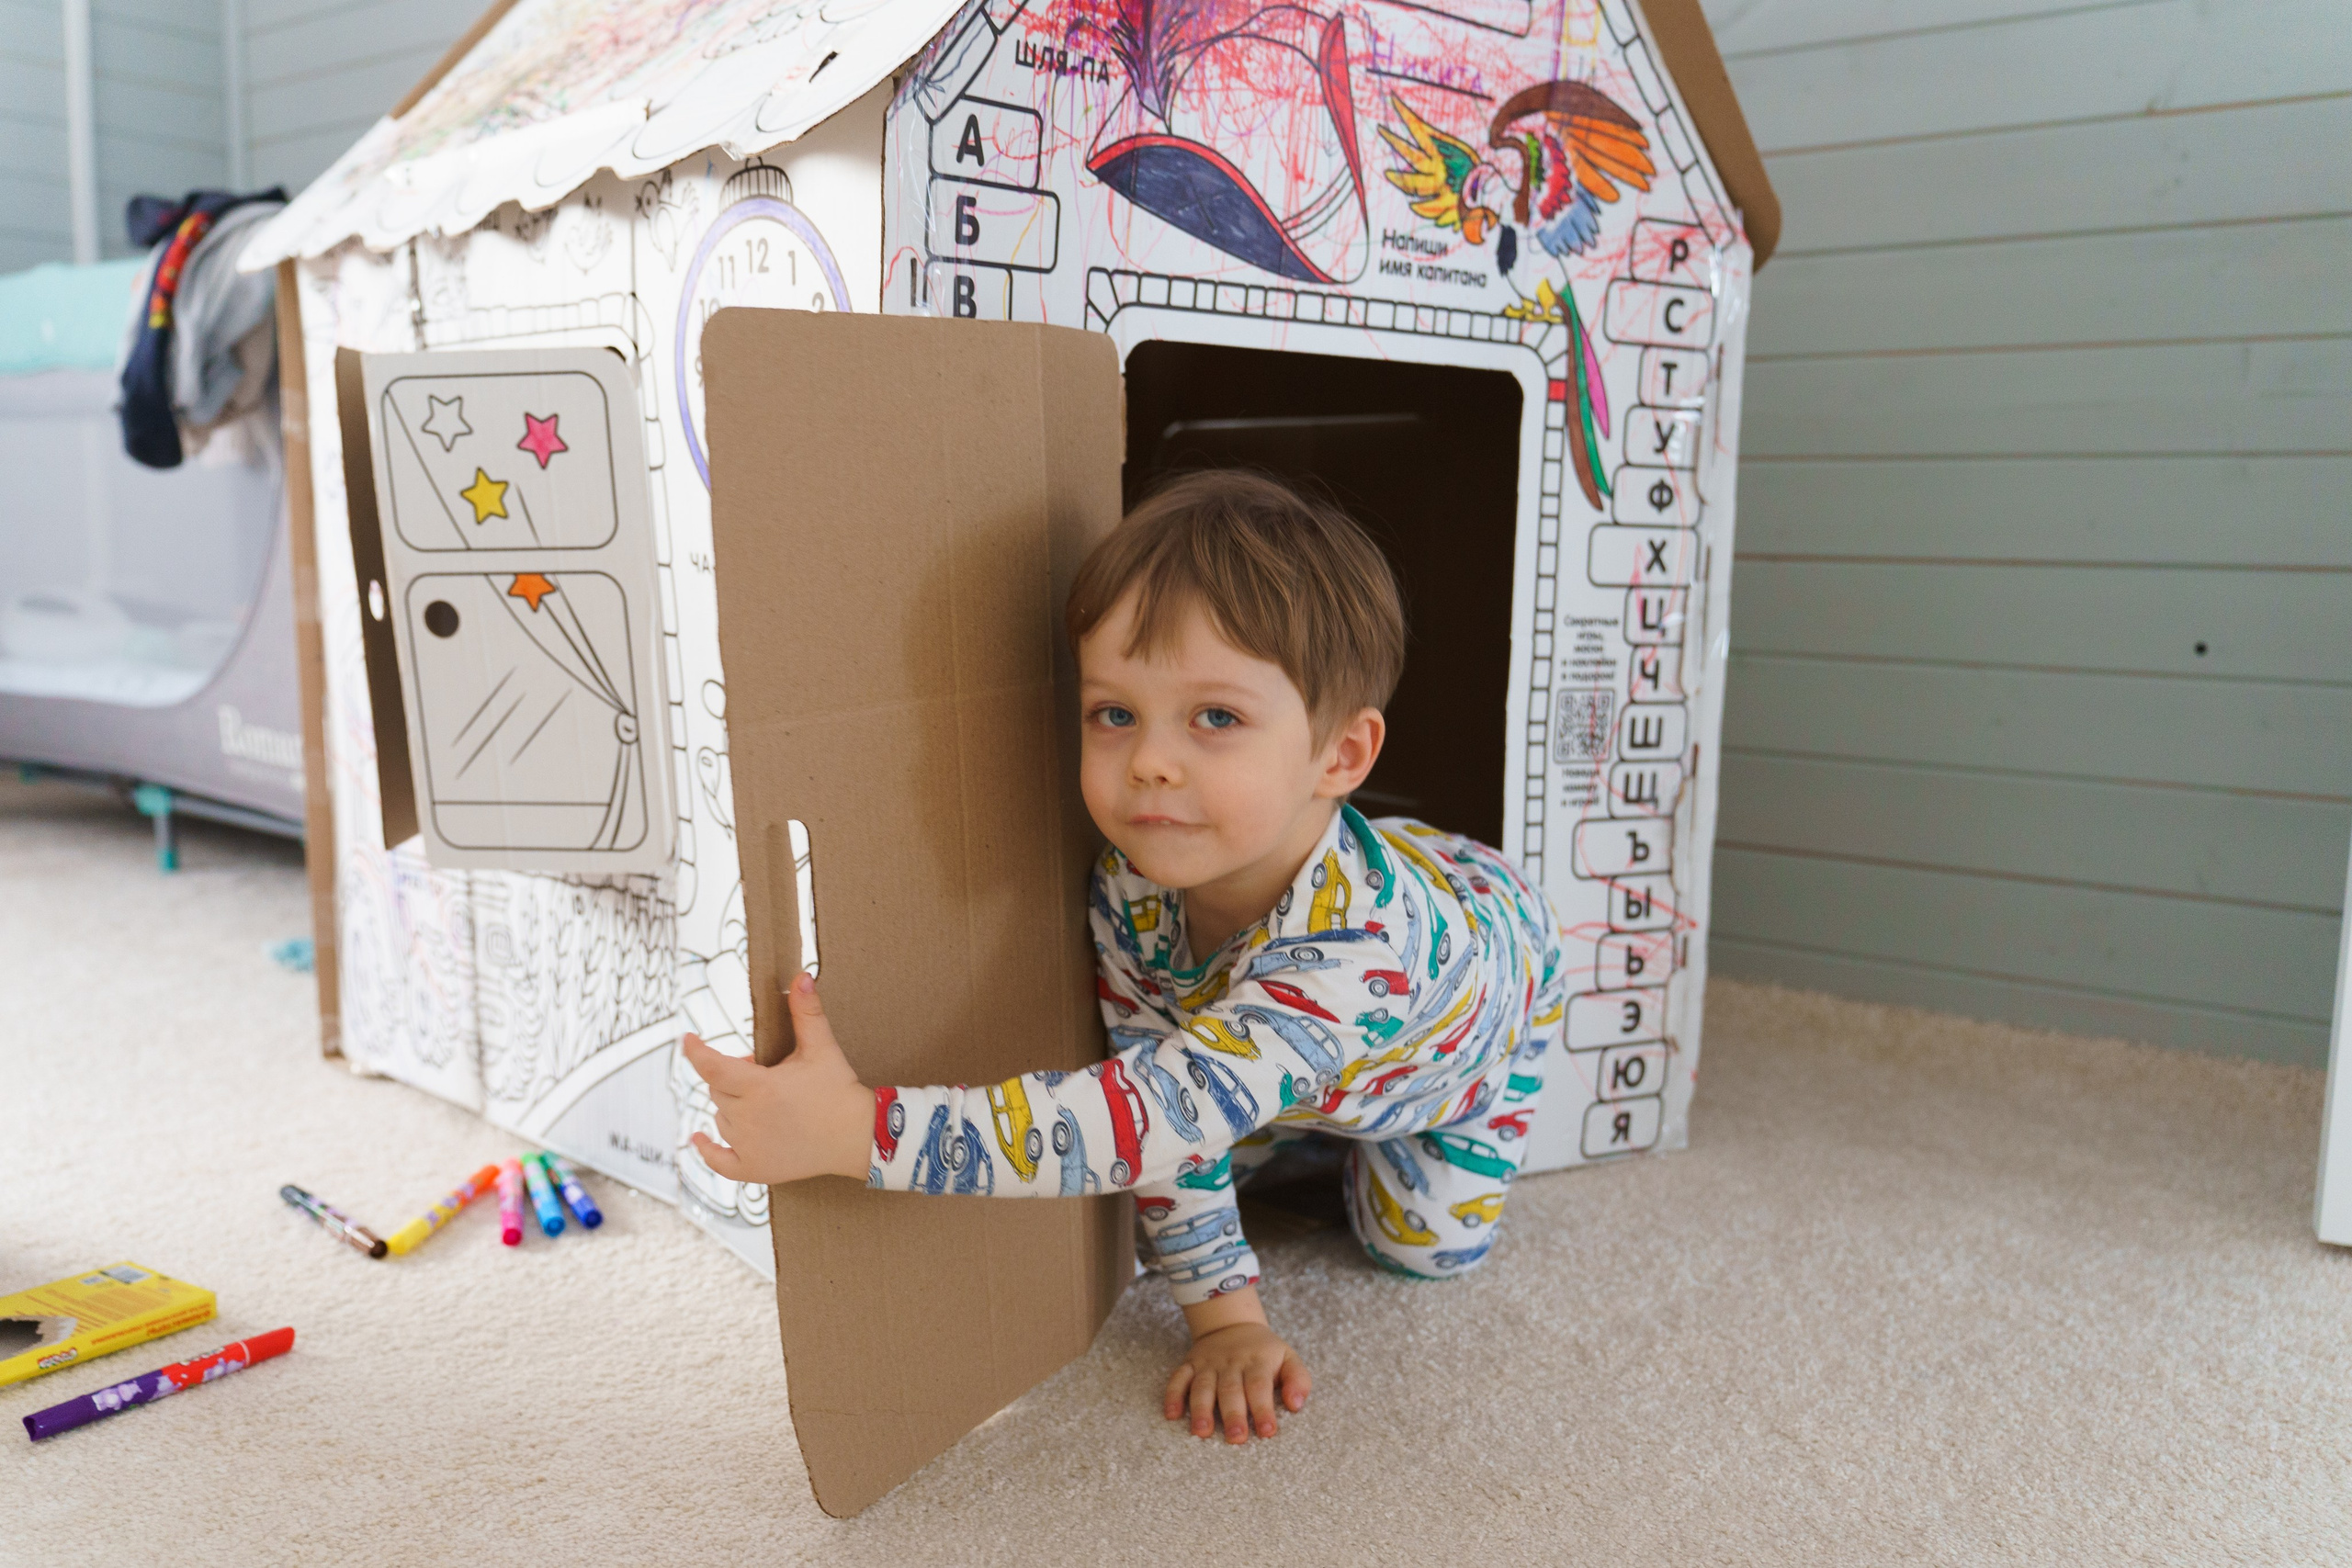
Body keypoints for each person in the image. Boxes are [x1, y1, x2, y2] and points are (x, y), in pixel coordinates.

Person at [683, 469, 1566, 1446]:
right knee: (1194, 1132)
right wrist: (1226, 1314)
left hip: (1479, 1010)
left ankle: (1307, 1111)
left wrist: (859, 1131)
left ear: (1341, 756)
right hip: (1283, 1003)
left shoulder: (1357, 958)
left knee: (1422, 1251)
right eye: (1115, 713)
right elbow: (1150, 1086)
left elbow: (1138, 1125)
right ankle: (1271, 1099)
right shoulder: (1132, 886)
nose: (1149, 760)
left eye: (1215, 718)